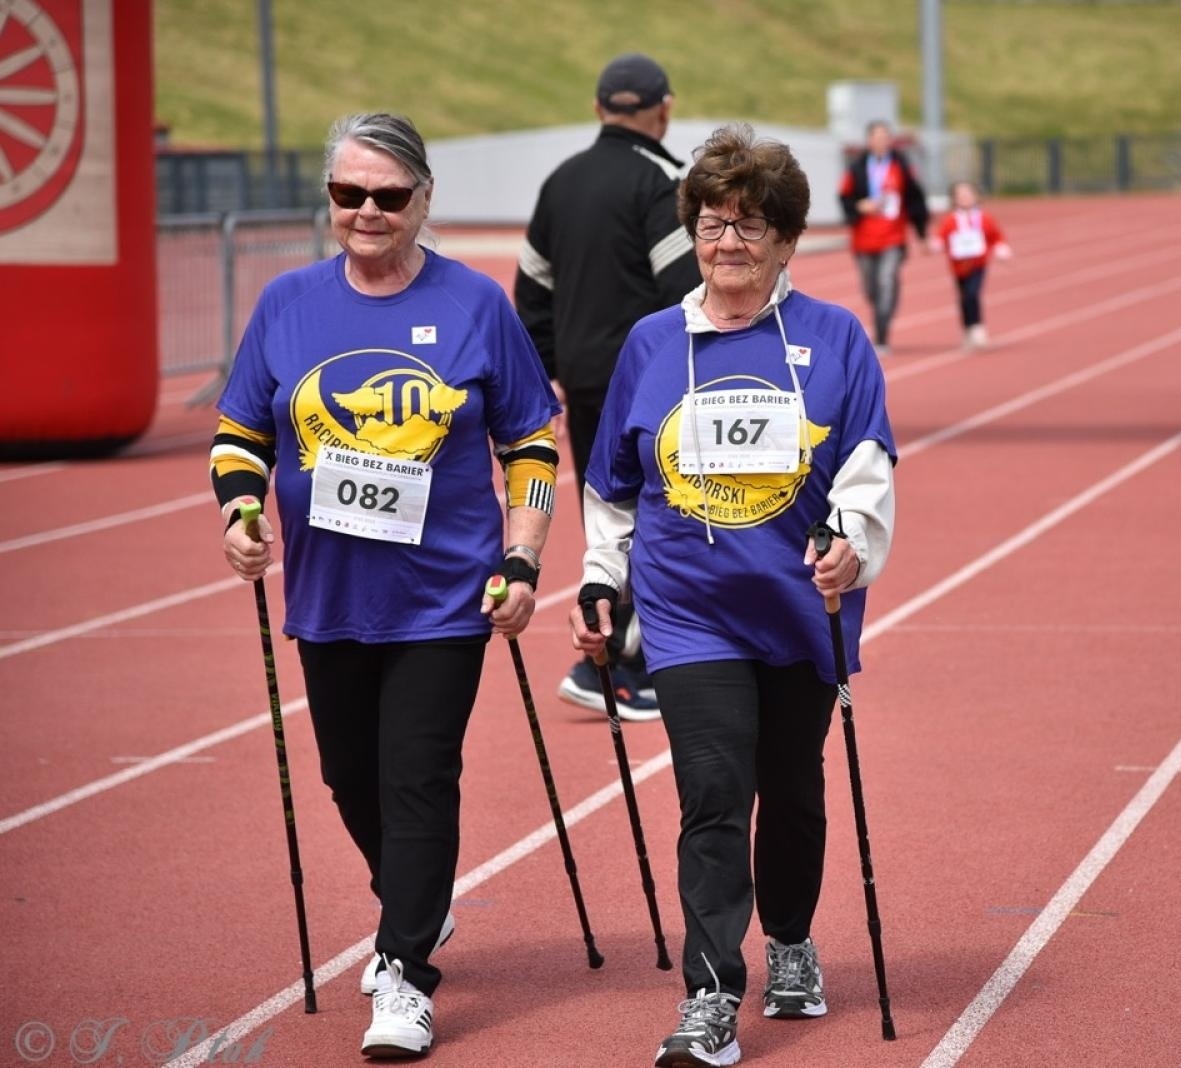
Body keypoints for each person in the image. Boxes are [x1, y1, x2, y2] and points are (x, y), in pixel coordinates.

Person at [210, 113, 561, 1055]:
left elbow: (530, 443)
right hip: (327, 595)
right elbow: (240, 436)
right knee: (346, 776)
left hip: (443, 595)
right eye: (347, 194)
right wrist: (240, 518)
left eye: (388, 196)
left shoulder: (476, 305)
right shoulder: (286, 303)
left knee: (416, 778)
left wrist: (522, 560)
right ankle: (417, 899)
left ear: (423, 200)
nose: (367, 211)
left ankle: (404, 970)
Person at [570, 124, 896, 1067]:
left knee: (791, 791)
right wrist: (602, 577)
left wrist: (852, 550)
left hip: (798, 610)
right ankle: (711, 993)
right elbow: (612, 484)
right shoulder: (650, 342)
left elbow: (867, 467)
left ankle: (790, 939)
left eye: (752, 226)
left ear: (787, 239)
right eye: (713, 224)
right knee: (714, 792)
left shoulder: (834, 338)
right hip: (688, 611)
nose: (729, 244)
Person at [515, 52, 702, 721]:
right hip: (657, 392)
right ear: (664, 109)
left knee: (606, 519)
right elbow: (690, 293)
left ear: (599, 109)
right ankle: (626, 661)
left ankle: (610, 657)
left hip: (585, 386)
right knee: (661, 520)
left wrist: (542, 389)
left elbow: (531, 294)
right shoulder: (664, 184)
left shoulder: (559, 182)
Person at [838, 119, 929, 357]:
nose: (881, 141)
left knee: (886, 281)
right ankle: (882, 312)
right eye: (877, 137)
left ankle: (881, 335)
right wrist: (860, 207)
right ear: (869, 141)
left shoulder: (901, 165)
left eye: (885, 137)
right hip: (864, 238)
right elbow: (844, 197)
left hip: (893, 236)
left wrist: (921, 233)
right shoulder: (857, 167)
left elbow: (915, 198)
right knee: (871, 288)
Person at [928, 179, 1012, 349]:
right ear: (954, 198)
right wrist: (935, 244)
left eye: (968, 194)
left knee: (972, 294)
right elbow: (942, 236)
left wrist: (1001, 248)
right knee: (964, 297)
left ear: (976, 196)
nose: (965, 198)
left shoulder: (984, 218)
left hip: (978, 263)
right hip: (958, 266)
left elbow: (995, 235)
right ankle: (967, 328)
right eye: (960, 195)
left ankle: (977, 327)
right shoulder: (951, 220)